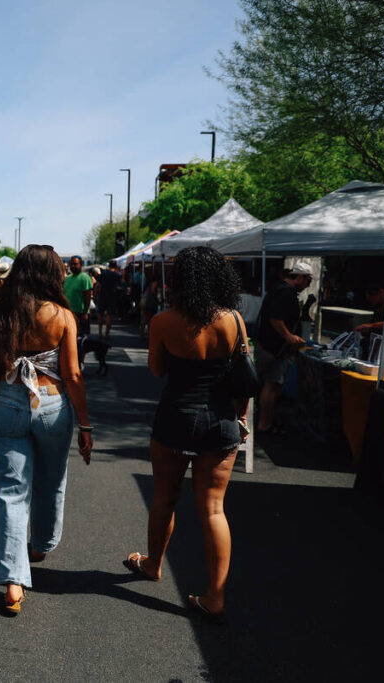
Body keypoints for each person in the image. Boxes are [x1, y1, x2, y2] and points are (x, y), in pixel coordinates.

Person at [122, 246, 249, 624]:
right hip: (222, 422)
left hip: (175, 420)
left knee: (164, 498)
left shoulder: (164, 321)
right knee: (213, 509)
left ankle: (151, 564)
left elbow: (157, 370)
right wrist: (240, 418)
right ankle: (215, 596)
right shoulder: (234, 321)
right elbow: (244, 376)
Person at [0, 244, 93, 615]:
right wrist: (86, 424)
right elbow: (73, 374)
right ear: (51, 273)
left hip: (10, 400)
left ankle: (13, 583)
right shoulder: (62, 315)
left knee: (12, 492)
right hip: (52, 403)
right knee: (51, 478)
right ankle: (41, 544)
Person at [254, 262, 312, 433]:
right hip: (273, 349)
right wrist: (289, 336)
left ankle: (265, 422)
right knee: (271, 385)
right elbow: (275, 319)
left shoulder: (282, 290)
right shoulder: (284, 291)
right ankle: (264, 423)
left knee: (272, 385)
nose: (309, 284)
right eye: (308, 280)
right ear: (300, 277)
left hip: (275, 348)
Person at [63, 255, 93, 338]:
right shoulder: (67, 278)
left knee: (80, 340)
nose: (73, 266)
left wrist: (85, 313)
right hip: (68, 313)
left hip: (80, 314)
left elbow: (87, 296)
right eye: (71, 264)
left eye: (75, 264)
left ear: (81, 265)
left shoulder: (85, 278)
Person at [96, 261, 121, 339]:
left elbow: (98, 285)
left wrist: (95, 295)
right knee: (109, 315)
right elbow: (118, 286)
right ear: (116, 266)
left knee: (101, 314)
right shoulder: (117, 275)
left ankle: (100, 332)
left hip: (102, 295)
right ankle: (107, 333)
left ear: (109, 265)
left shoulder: (103, 273)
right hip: (112, 296)